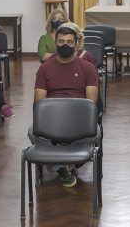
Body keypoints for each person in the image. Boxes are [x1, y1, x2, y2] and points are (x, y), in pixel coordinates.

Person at [32, 22, 100, 188]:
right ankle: (61, 167)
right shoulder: (44, 69)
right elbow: (39, 103)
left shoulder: (88, 68)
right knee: (31, 132)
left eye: (69, 42)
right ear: (55, 43)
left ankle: (67, 163)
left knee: (96, 133)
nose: (65, 45)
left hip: (78, 120)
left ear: (76, 44)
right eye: (61, 41)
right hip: (52, 120)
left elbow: (92, 102)